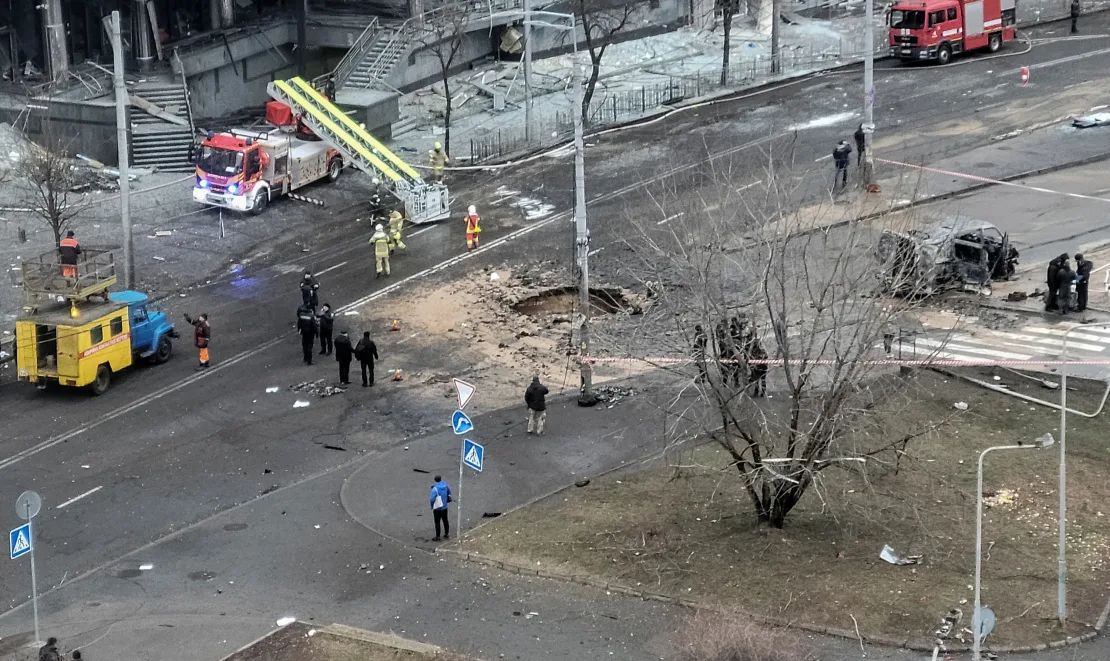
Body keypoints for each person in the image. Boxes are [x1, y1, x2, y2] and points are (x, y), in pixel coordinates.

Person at [429, 475, 452, 541]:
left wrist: (432, 506)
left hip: (437, 508)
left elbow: (432, 499)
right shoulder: (445, 485)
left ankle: (438, 536)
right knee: (445, 520)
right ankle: (446, 533)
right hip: (445, 507)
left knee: (437, 522)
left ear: (435, 480)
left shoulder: (435, 489)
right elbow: (449, 492)